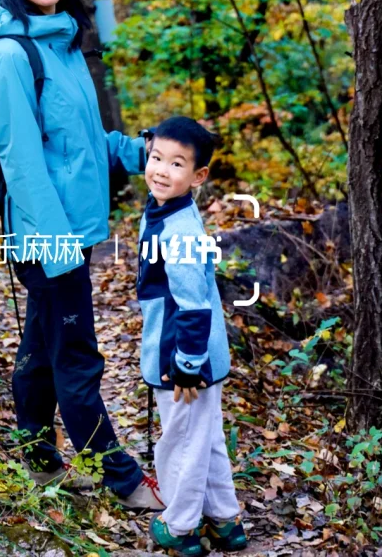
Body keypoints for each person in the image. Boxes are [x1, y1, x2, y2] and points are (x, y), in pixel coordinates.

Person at [0, 0, 164, 511]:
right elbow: (22, 161)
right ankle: (122, 477)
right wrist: (57, 245)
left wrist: (143, 154)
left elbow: (87, 137)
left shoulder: (64, 44)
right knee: (78, 355)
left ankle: (37, 458)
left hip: (75, 231)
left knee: (42, 347)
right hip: (47, 237)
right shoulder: (12, 55)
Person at [138, 116, 248, 555]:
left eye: (177, 163)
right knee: (206, 437)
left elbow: (194, 304)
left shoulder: (180, 231)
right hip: (193, 353)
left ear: (199, 176)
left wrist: (185, 367)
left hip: (186, 361)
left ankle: (181, 526)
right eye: (156, 158)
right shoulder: (168, 208)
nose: (161, 170)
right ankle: (225, 521)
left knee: (181, 441)